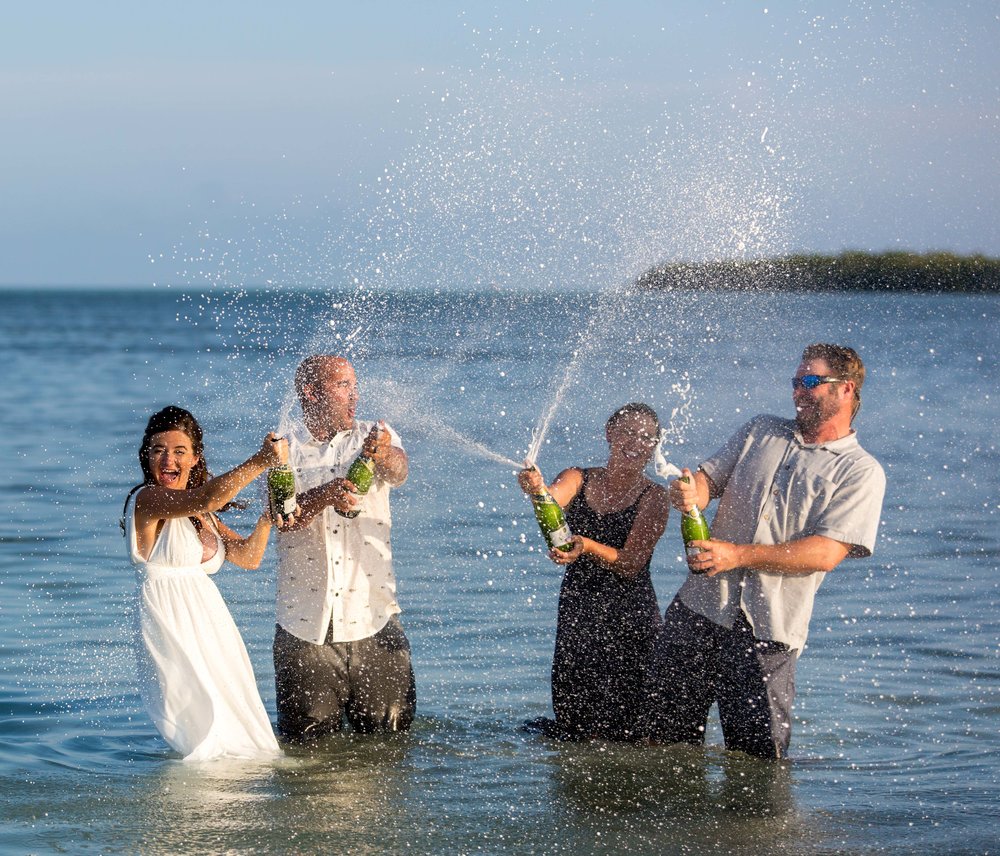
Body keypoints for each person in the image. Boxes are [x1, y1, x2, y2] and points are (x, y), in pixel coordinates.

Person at [641, 343, 886, 759]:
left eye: (811, 382)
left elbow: (825, 553)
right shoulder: (761, 430)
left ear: (846, 389)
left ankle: (755, 829)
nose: (798, 392)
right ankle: (676, 824)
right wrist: (690, 494)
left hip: (768, 633)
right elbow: (708, 482)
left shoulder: (861, 470)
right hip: (698, 610)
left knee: (758, 765)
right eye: (795, 382)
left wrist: (737, 556)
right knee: (661, 748)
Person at [123, 405, 286, 761]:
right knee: (199, 734)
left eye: (179, 451)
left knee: (239, 731)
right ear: (146, 456)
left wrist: (266, 518)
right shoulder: (146, 500)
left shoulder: (201, 513)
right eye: (158, 450)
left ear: (195, 458)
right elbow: (208, 495)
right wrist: (261, 460)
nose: (168, 459)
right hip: (170, 622)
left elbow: (247, 557)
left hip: (210, 625)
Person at [272, 355, 415, 740]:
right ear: (311, 392)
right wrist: (325, 495)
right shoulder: (284, 448)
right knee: (307, 753)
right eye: (343, 386)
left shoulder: (374, 435)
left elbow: (398, 471)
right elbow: (282, 517)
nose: (355, 394)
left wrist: (381, 451)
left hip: (374, 619)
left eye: (355, 384)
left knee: (392, 746)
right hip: (305, 627)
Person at [517, 403, 671, 741]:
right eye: (628, 432)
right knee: (574, 718)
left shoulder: (655, 496)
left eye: (646, 437)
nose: (636, 442)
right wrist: (537, 489)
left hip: (631, 619)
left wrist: (586, 546)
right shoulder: (578, 477)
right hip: (579, 612)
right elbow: (551, 503)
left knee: (630, 729)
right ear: (609, 434)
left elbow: (631, 562)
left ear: (654, 446)